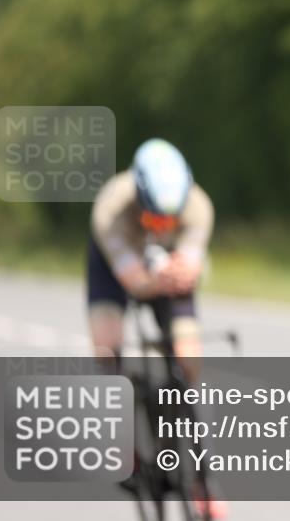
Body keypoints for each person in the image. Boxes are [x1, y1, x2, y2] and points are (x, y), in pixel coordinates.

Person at [87, 138, 224, 518]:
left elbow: (192, 267)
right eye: (154, 219)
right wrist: (153, 278)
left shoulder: (198, 206)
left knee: (188, 358)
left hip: (170, 272)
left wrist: (182, 270)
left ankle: (202, 479)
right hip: (116, 267)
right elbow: (132, 280)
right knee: (106, 348)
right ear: (139, 200)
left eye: (170, 220)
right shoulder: (111, 209)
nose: (162, 227)